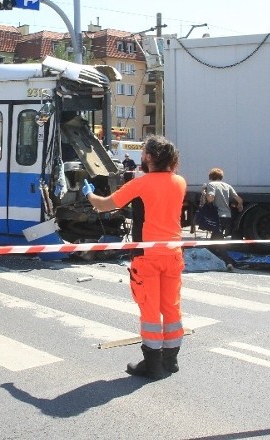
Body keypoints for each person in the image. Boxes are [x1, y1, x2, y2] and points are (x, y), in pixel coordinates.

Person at [83, 135, 186, 380]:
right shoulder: (179, 181)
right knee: (171, 307)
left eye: (144, 153)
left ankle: (151, 364)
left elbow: (106, 205)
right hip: (173, 253)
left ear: (149, 157)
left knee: (149, 309)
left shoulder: (142, 183)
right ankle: (170, 360)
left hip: (147, 255)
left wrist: (89, 195)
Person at [202, 168, 243, 270]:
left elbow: (210, 198)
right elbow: (239, 199)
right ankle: (207, 259)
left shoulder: (211, 185)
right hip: (227, 217)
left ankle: (229, 262)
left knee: (219, 242)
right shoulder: (227, 186)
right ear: (221, 177)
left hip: (217, 217)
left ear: (210, 177)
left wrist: (204, 192)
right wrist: (240, 206)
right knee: (214, 240)